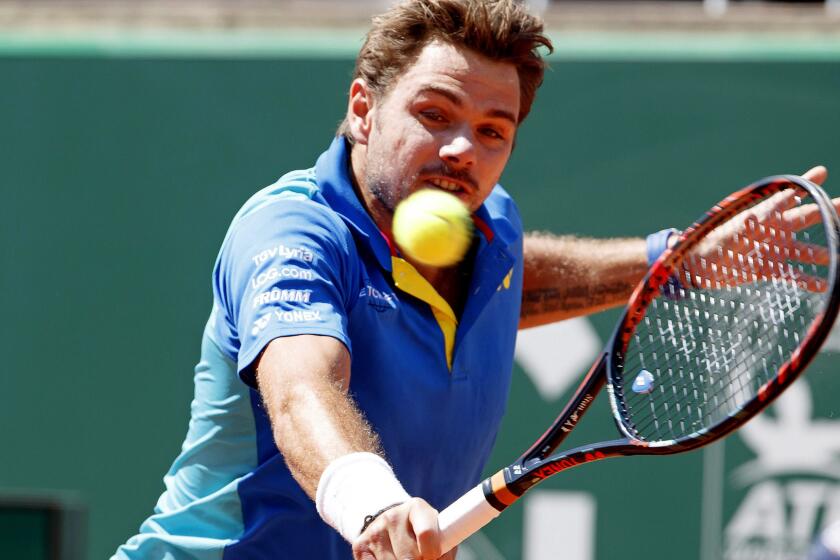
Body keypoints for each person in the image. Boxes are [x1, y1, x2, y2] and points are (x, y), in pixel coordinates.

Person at [113, 1, 830, 558]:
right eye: (435, 114)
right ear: (363, 110)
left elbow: (513, 280)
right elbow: (303, 388)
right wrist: (373, 505)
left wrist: (671, 261)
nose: (463, 149)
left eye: (494, 130)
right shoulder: (292, 231)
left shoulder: (491, 227)